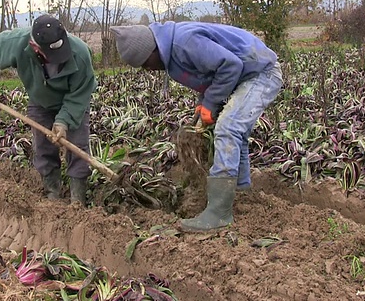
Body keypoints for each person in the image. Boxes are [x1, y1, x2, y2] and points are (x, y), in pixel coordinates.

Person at [110, 22, 282, 232]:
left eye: (145, 63)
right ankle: (241, 192)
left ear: (153, 49)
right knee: (237, 133)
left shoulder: (184, 42)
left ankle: (219, 213)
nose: (147, 69)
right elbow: (209, 75)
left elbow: (230, 66)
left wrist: (211, 103)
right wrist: (204, 102)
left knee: (228, 128)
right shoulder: (172, 52)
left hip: (261, 73)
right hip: (246, 76)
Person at [0, 14, 97, 206]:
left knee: (77, 147)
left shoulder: (80, 54)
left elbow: (80, 93)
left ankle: (78, 200)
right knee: (43, 147)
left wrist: (63, 121)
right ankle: (52, 193)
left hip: (72, 102)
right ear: (36, 47)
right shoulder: (15, 43)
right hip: (40, 101)